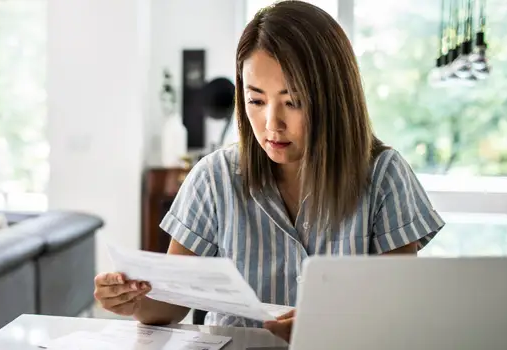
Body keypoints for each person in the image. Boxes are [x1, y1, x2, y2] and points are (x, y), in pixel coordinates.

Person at [93, 0, 445, 343]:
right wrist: (134, 299)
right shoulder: (215, 177)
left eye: (293, 102)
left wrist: (329, 326)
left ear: (334, 99)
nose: (271, 124)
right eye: (256, 100)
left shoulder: (384, 176)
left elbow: (401, 311)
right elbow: (169, 306)